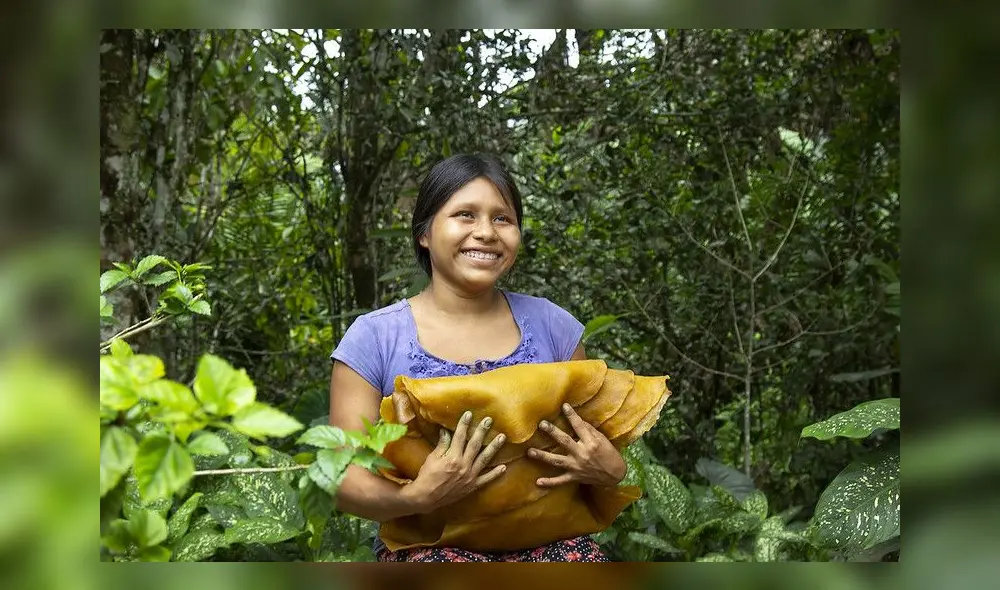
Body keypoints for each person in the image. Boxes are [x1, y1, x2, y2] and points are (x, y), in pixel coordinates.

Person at [328, 153, 628, 562]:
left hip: (550, 542)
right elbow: (342, 478)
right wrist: (417, 496)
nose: (486, 232)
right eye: (465, 215)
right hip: (428, 548)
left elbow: (590, 453)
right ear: (424, 234)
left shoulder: (554, 327)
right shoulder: (375, 337)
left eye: (502, 218)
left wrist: (611, 471)